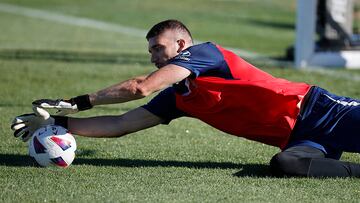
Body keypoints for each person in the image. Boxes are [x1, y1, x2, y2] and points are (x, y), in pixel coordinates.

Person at [11, 19, 360, 178]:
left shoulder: (207, 54)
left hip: (319, 110)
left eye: (157, 49)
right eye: (149, 51)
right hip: (298, 139)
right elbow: (121, 123)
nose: (153, 57)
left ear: (181, 46)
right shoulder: (178, 99)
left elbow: (140, 87)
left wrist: (78, 101)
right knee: (285, 165)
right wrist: (57, 122)